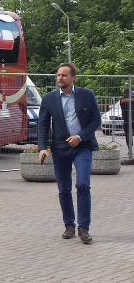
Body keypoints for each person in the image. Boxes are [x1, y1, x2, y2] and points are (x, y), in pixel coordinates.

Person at [37, 63, 101, 244]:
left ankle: (84, 228)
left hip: (82, 146)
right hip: (60, 148)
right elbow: (43, 125)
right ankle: (69, 226)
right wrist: (42, 147)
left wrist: (80, 137)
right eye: (58, 75)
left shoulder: (86, 95)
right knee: (64, 188)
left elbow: (96, 119)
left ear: (73, 78)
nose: (60, 78)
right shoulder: (49, 99)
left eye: (64, 75)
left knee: (82, 184)